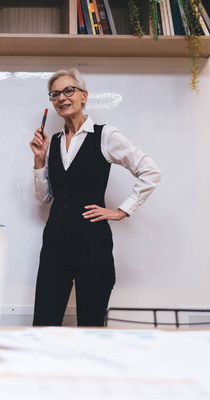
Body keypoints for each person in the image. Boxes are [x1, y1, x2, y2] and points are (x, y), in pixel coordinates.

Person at [30, 69, 162, 327]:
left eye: (69, 91)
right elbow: (44, 198)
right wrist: (38, 160)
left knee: (91, 325)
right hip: (55, 244)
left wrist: (121, 211)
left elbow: (150, 171)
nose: (62, 98)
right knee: (44, 324)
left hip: (93, 245)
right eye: (55, 94)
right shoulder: (53, 142)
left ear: (84, 97)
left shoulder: (105, 135)